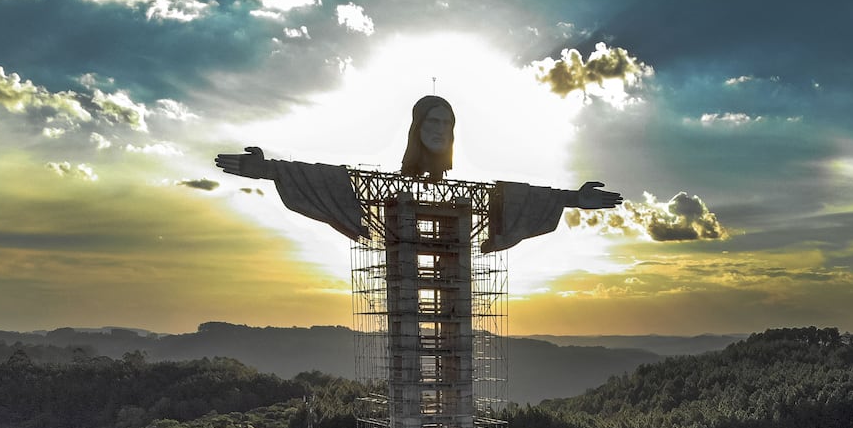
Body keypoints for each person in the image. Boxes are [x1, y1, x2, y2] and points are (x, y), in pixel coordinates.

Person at [214, 96, 622, 253]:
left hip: (455, 251)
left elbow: (521, 197)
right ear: (416, 127)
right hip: (401, 253)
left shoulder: (482, 195)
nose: (440, 129)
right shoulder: (380, 187)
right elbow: (327, 180)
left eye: (447, 122)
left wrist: (573, 198)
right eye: (432, 120)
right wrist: (268, 169)